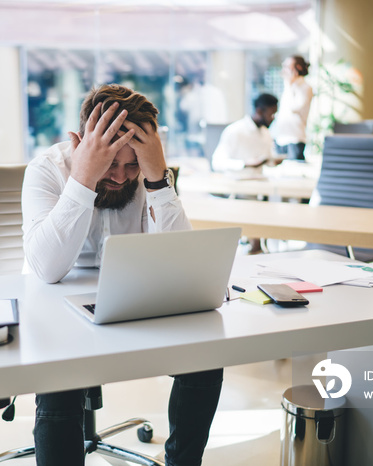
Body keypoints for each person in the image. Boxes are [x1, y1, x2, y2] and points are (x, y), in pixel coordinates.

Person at [21, 83, 223, 466]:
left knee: (205, 353)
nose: (119, 176)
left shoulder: (147, 174)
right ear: (81, 142)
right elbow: (46, 269)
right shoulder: (46, 170)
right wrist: (83, 177)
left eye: (132, 164)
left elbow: (181, 259)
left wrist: (158, 177)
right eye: (110, 162)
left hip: (133, 299)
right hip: (57, 308)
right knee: (61, 378)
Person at [211, 93, 279, 177]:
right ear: (259, 111)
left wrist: (274, 161)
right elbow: (217, 163)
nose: (273, 119)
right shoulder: (235, 130)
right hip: (236, 186)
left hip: (259, 185)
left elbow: (269, 162)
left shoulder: (266, 133)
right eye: (271, 114)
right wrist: (244, 164)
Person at [271, 55, 313, 161]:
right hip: (281, 137)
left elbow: (294, 107)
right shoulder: (289, 86)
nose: (284, 70)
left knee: (294, 171)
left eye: (287, 67)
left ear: (297, 68)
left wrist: (289, 85)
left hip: (295, 138)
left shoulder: (305, 87)